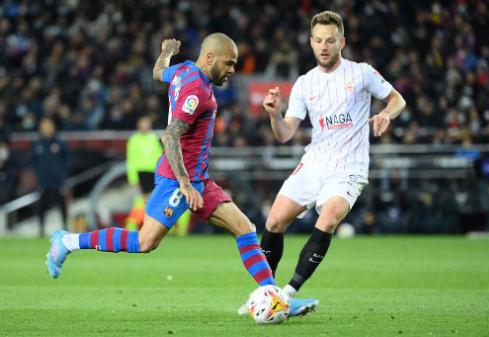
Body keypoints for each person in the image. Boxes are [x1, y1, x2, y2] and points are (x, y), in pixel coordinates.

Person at [46, 33, 314, 317]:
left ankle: (277, 300)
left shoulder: (184, 68)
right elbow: (170, 136)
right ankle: (67, 241)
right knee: (145, 242)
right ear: (210, 57)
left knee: (245, 228)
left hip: (197, 178)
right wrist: (185, 184)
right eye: (229, 63)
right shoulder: (196, 90)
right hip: (178, 178)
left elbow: (158, 71)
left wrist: (166, 51)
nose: (233, 70)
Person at [259, 11, 406, 304]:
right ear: (311, 43)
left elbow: (397, 99)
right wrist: (275, 115)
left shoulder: (361, 72)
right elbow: (286, 134)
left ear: (342, 42)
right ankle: (265, 292)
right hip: (314, 162)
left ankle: (286, 296)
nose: (324, 46)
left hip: (348, 167)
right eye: (318, 40)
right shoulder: (304, 83)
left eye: (330, 40)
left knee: (327, 220)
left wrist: (386, 115)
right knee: (274, 222)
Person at [124, 115, 163, 230]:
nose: (145, 126)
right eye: (143, 123)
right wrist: (132, 178)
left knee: (150, 200)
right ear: (138, 125)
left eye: (147, 123)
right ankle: (134, 223)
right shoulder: (134, 140)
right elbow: (130, 160)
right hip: (141, 173)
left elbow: (160, 156)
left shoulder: (153, 138)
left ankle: (144, 225)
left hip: (153, 173)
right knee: (142, 200)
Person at [33, 118, 69, 237]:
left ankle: (65, 227)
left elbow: (68, 159)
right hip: (43, 182)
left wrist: (63, 174)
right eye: (44, 126)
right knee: (41, 206)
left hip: (58, 182)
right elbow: (32, 162)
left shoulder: (59, 143)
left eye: (48, 126)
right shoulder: (37, 144)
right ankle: (41, 229)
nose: (46, 129)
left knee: (62, 205)